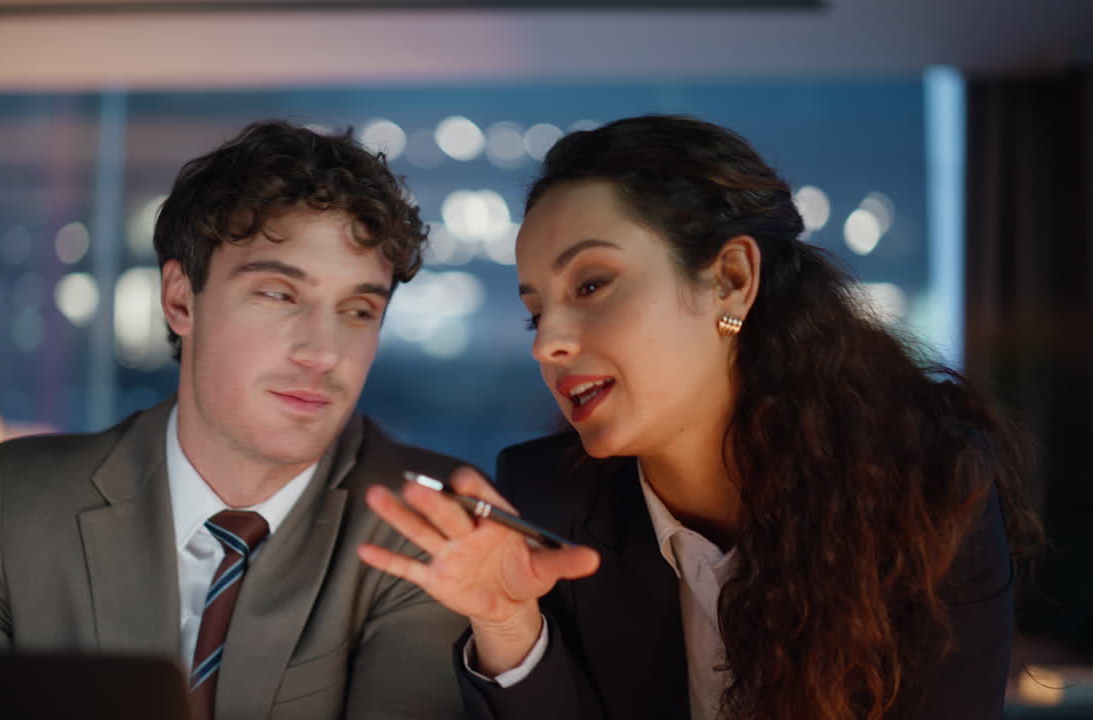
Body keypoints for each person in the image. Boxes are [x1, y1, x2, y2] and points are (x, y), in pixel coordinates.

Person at [359, 114, 1043, 719]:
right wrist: (510, 626)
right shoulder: (549, 504)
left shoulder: (926, 489)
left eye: (591, 284)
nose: (547, 344)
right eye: (535, 313)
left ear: (731, 281)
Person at [0, 121, 470, 720]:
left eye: (358, 310)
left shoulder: (431, 527)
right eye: (279, 294)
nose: (323, 353)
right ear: (179, 299)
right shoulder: (18, 501)